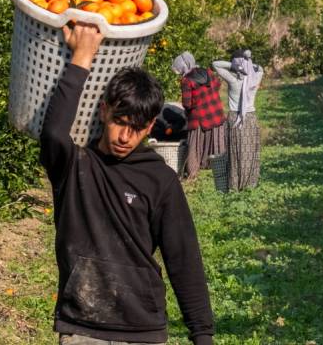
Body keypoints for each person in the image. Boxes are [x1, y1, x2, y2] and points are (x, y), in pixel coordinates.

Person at [41, 23, 214, 345]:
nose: (125, 136)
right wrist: (82, 56)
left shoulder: (158, 178)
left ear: (150, 126)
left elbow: (183, 257)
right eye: (120, 122)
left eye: (136, 127)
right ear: (104, 111)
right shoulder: (75, 164)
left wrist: (202, 334)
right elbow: (53, 132)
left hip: (142, 329)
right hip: (82, 326)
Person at [212, 50, 263, 191]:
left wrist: (234, 65)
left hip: (235, 117)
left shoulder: (233, 80)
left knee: (235, 152)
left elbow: (215, 64)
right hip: (250, 117)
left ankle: (236, 183)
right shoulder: (255, 78)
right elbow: (260, 69)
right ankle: (250, 183)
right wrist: (247, 62)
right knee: (250, 152)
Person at [172, 51, 226, 181]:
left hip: (199, 119)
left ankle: (192, 174)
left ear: (183, 66)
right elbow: (218, 85)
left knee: (193, 147)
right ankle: (221, 169)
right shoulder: (208, 72)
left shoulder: (186, 80)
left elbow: (187, 103)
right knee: (217, 143)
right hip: (216, 114)